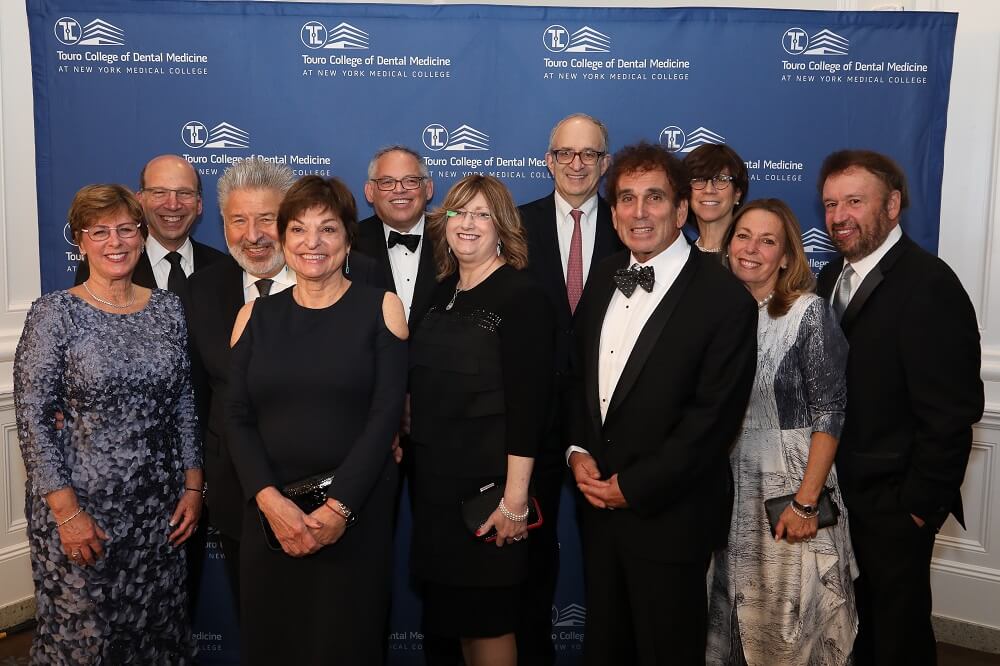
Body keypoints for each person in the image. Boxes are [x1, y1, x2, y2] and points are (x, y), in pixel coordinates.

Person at [566, 142, 756, 665]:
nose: (639, 212)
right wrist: (577, 450)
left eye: (654, 197)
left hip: (672, 516)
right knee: (607, 646)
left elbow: (712, 421)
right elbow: (580, 379)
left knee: (666, 650)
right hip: (598, 511)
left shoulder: (724, 297)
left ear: (680, 209)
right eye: (626, 199)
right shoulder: (603, 276)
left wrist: (634, 485)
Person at [14, 184, 202, 663]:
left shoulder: (167, 309)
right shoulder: (54, 313)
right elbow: (33, 418)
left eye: (126, 229)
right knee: (85, 637)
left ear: (142, 236)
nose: (115, 242)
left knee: (156, 631)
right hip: (84, 510)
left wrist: (193, 485)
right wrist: (66, 513)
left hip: (158, 509)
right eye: (100, 232)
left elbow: (183, 400)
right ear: (80, 241)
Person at [226, 175, 407, 665]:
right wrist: (271, 503)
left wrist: (338, 509)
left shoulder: (382, 308)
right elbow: (235, 418)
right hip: (269, 520)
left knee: (344, 644)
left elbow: (385, 416)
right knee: (275, 643)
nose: (313, 243)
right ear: (283, 240)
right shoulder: (253, 316)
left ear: (348, 239)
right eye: (299, 230)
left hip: (355, 517)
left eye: (327, 229)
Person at [816, 150, 984, 665]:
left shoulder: (929, 283)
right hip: (835, 497)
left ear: (892, 205)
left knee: (898, 636)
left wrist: (916, 507)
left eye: (854, 201)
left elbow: (953, 412)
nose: (840, 215)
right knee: (852, 628)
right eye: (830, 204)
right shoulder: (826, 279)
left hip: (893, 505)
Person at [408, 175, 555, 666]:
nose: (467, 224)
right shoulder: (439, 292)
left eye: (481, 215)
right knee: (453, 628)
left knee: (488, 624)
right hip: (434, 493)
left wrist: (515, 501)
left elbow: (528, 406)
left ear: (502, 228)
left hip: (488, 497)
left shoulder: (521, 297)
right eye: (458, 213)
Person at [706, 198, 858, 665]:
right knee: (732, 616)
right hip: (724, 487)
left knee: (791, 627)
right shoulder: (712, 313)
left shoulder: (807, 313)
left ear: (787, 256)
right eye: (743, 236)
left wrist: (806, 501)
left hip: (788, 488)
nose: (751, 248)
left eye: (767, 240)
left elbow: (830, 411)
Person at [518, 113, 622, 664]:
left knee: (608, 556)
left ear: (605, 163)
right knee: (530, 554)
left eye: (589, 154)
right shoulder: (515, 223)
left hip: (605, 420)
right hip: (528, 419)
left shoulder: (632, 226)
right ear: (548, 159)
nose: (576, 164)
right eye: (565, 153)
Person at [185, 157, 296, 608]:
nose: (253, 235)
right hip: (237, 494)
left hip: (327, 490)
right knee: (259, 623)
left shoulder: (348, 277)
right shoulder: (199, 292)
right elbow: (193, 397)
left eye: (266, 219)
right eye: (238, 221)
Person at [74, 154, 225, 292]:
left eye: (184, 193)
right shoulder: (108, 263)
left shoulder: (223, 267)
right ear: (140, 200)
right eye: (159, 193)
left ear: (199, 204)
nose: (173, 205)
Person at [357, 145, 438, 330]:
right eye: (387, 182)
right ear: (370, 192)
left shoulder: (454, 239)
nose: (399, 190)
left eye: (410, 181)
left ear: (429, 189)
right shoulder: (350, 243)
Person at [682, 143, 748, 253]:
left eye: (721, 179)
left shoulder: (747, 256)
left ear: (737, 193)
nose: (709, 190)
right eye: (699, 180)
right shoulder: (679, 257)